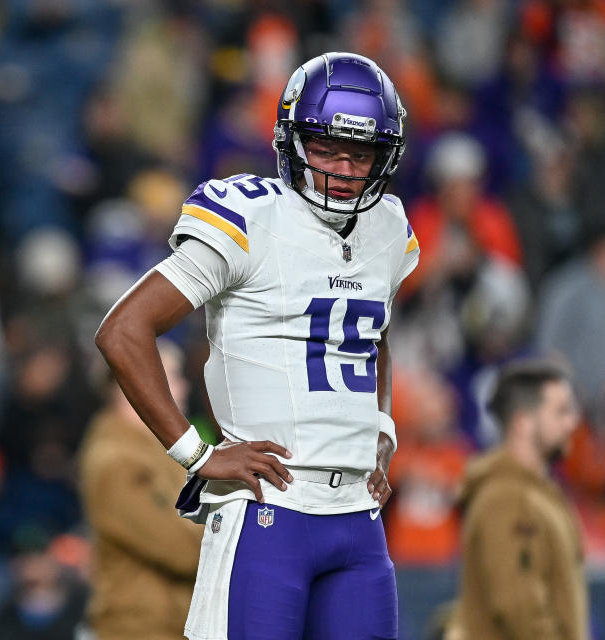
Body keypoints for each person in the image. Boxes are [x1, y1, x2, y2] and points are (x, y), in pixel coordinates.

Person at [96, 52, 418, 640]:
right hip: (270, 512)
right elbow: (123, 330)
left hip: (359, 521)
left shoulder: (388, 229)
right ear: (292, 142)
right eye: (327, 148)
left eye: (361, 153)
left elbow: (375, 332)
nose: (344, 168)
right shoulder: (251, 217)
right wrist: (195, 454)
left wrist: (381, 430)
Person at [445, 361, 590, 640]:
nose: (572, 422)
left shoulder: (535, 493)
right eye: (561, 411)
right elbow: (519, 610)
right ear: (523, 422)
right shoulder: (508, 499)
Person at [79, 341, 202, 639]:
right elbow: (181, 549)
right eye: (174, 376)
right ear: (137, 381)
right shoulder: (115, 461)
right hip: (138, 629)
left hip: (170, 626)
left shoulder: (159, 451)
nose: (184, 389)